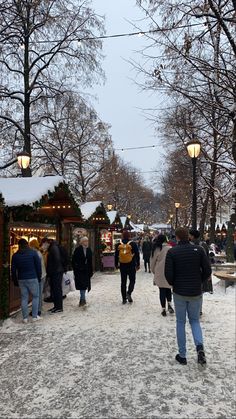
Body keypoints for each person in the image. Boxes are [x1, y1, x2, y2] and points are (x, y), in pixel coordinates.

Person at [165, 227, 212, 367]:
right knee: (195, 321)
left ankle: (183, 355)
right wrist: (199, 281)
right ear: (188, 237)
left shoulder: (172, 252)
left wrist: (174, 284)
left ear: (177, 237)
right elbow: (207, 270)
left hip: (179, 292)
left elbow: (168, 274)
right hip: (195, 292)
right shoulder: (199, 250)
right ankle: (199, 348)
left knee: (180, 322)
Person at [11, 238, 42, 323]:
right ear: (27, 244)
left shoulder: (15, 256)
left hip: (21, 279)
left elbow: (13, 270)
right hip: (32, 277)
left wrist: (15, 280)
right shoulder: (33, 253)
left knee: (24, 298)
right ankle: (35, 316)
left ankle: (25, 318)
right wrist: (39, 277)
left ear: (19, 246)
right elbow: (38, 267)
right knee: (35, 297)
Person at [189, 229, 213, 315]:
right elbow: (207, 259)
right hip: (201, 271)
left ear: (192, 236)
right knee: (200, 291)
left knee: (192, 291)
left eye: (190, 235)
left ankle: (193, 309)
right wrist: (208, 272)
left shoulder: (189, 245)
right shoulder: (204, 245)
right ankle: (199, 309)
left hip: (192, 270)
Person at [150, 234, 174, 316]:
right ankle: (170, 303)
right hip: (169, 271)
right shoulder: (170, 248)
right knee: (168, 289)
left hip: (159, 272)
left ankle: (163, 308)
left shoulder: (156, 249)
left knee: (162, 290)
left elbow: (152, 262)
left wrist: (154, 271)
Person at [115, 230, 140, 304]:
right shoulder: (133, 244)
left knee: (123, 282)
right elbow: (137, 254)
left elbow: (116, 255)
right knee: (132, 280)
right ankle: (129, 293)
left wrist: (116, 264)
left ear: (122, 236)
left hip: (122, 265)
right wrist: (138, 264)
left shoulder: (119, 244)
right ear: (129, 236)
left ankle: (123, 299)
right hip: (131, 265)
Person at [41, 238, 64, 314]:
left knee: (57, 290)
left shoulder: (53, 248)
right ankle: (56, 306)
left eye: (43, 244)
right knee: (54, 290)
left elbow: (57, 260)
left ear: (47, 242)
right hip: (55, 272)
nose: (43, 246)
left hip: (56, 272)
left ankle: (59, 307)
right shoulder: (52, 247)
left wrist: (53, 271)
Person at [72, 236, 93, 306]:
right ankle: (82, 299)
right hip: (80, 271)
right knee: (82, 285)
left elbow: (90, 261)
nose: (86, 242)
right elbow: (74, 260)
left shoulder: (89, 250)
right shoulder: (78, 250)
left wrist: (91, 271)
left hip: (86, 270)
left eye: (87, 241)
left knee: (84, 285)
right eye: (85, 241)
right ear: (81, 242)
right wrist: (76, 268)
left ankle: (82, 299)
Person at [29, 239, 46, 317]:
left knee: (37, 294)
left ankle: (37, 311)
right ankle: (38, 309)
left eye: (30, 245)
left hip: (40, 276)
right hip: (42, 275)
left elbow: (37, 267)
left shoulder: (36, 254)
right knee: (38, 293)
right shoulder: (38, 253)